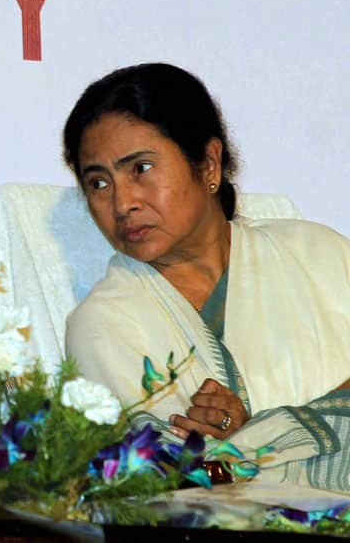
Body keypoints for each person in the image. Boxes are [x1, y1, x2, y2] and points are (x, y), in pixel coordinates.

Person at [63, 62, 350, 490]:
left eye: (140, 168)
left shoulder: (321, 256)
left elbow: (219, 464)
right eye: (99, 183)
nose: (122, 203)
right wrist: (254, 445)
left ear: (209, 164)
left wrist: (246, 441)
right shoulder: (102, 326)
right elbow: (159, 483)